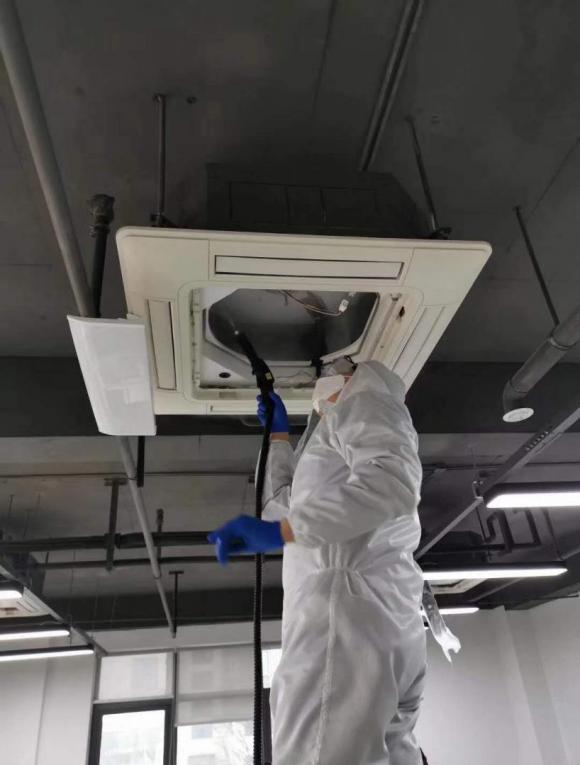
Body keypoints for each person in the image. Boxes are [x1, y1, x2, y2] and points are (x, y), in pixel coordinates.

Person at [209, 359, 426, 764]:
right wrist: (278, 438)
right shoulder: (342, 432)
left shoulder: (366, 399)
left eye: (329, 371)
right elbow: (281, 508)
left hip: (346, 614)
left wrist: (283, 533)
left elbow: (391, 482)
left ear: (350, 376)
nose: (317, 386)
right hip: (375, 618)